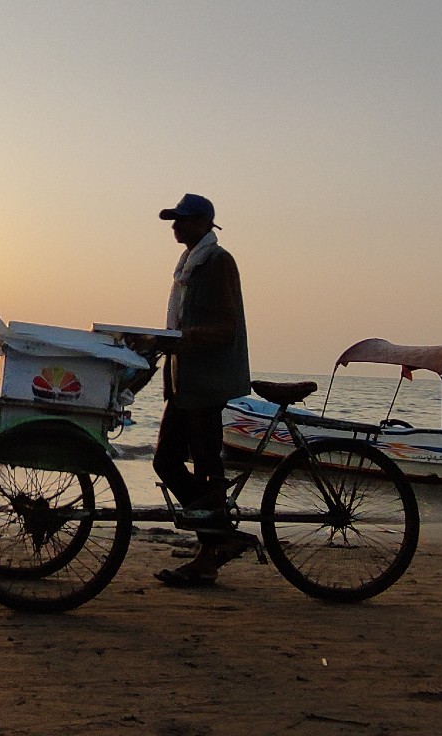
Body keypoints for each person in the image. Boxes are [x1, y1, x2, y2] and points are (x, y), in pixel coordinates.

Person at [150, 193, 252, 588]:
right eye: (175, 219)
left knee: (208, 471)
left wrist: (183, 338)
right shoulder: (190, 264)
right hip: (184, 382)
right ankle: (217, 537)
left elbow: (227, 327)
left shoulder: (217, 262)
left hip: (205, 384)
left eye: (182, 219)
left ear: (204, 223)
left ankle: (211, 550)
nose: (175, 225)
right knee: (167, 462)